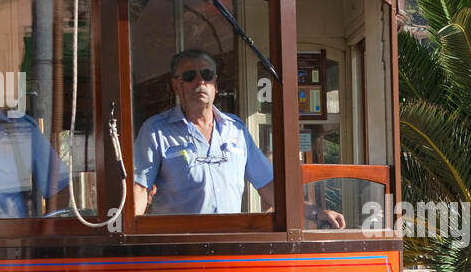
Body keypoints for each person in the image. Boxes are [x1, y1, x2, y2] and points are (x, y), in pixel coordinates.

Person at [134, 50, 344, 226]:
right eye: (190, 76)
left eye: (207, 75)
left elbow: (268, 186)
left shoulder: (235, 128)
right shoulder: (155, 131)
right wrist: (129, 240)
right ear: (176, 85)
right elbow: (140, 189)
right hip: (179, 252)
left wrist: (315, 213)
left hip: (229, 247)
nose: (200, 81)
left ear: (215, 84)